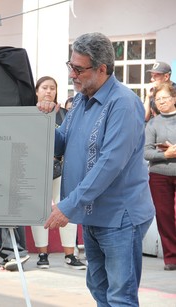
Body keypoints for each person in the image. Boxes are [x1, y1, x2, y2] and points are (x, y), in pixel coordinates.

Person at [37, 32, 155, 306]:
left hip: (120, 217)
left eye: (79, 69)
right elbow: (61, 143)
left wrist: (68, 205)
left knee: (120, 296)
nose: (72, 75)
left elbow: (110, 163)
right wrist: (44, 120)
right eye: (70, 66)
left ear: (102, 69)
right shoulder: (79, 101)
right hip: (92, 215)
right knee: (98, 287)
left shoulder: (123, 103)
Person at [31, 76, 86, 270]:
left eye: (52, 88)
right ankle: (42, 254)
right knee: (39, 212)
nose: (48, 91)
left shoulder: (64, 114)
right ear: (36, 91)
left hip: (61, 169)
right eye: (44, 87)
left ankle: (70, 255)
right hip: (36, 169)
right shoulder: (30, 113)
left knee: (66, 209)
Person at [143, 81, 176, 271]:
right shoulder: (153, 123)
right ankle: (171, 258)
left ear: (174, 98)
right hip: (159, 175)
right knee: (165, 217)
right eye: (158, 99)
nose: (162, 102)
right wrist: (166, 154)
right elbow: (146, 152)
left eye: (165, 98)